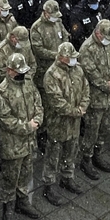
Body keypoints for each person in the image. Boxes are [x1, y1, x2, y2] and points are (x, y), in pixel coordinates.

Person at [0, 52, 42, 220]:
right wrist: (27, 126)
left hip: (29, 142)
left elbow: (38, 103)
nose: (22, 74)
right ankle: (8, 208)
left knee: (26, 173)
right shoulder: (2, 91)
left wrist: (37, 119)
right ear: (9, 70)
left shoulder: (28, 83)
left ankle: (22, 201)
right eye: (18, 71)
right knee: (10, 178)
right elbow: (5, 120)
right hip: (12, 144)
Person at [40, 41, 89, 205]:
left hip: (74, 122)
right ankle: (48, 185)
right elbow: (57, 102)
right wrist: (76, 112)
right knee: (53, 154)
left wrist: (82, 106)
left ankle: (67, 177)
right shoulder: (51, 75)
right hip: (58, 123)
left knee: (71, 150)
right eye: (70, 58)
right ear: (61, 58)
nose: (74, 61)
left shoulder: (77, 70)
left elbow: (85, 89)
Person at [77, 19, 110, 178]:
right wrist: (107, 85)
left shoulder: (108, 43)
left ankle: (97, 154)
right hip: (95, 99)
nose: (108, 41)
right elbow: (91, 74)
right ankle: (86, 159)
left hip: (109, 97)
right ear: (98, 33)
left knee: (105, 128)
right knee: (91, 131)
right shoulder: (87, 49)